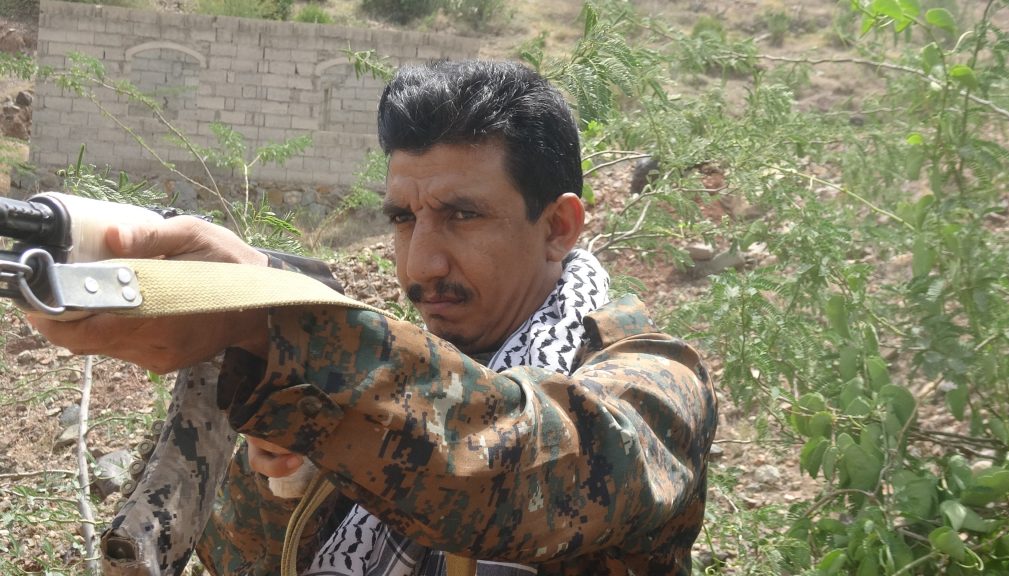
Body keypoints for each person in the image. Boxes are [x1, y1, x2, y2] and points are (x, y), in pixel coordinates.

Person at [32, 60, 717, 575]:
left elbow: (513, 466)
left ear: (558, 226)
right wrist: (284, 478)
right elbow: (242, 561)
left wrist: (271, 325)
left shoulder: (653, 384)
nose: (421, 264)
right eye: (402, 218)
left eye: (462, 215)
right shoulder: (384, 382)